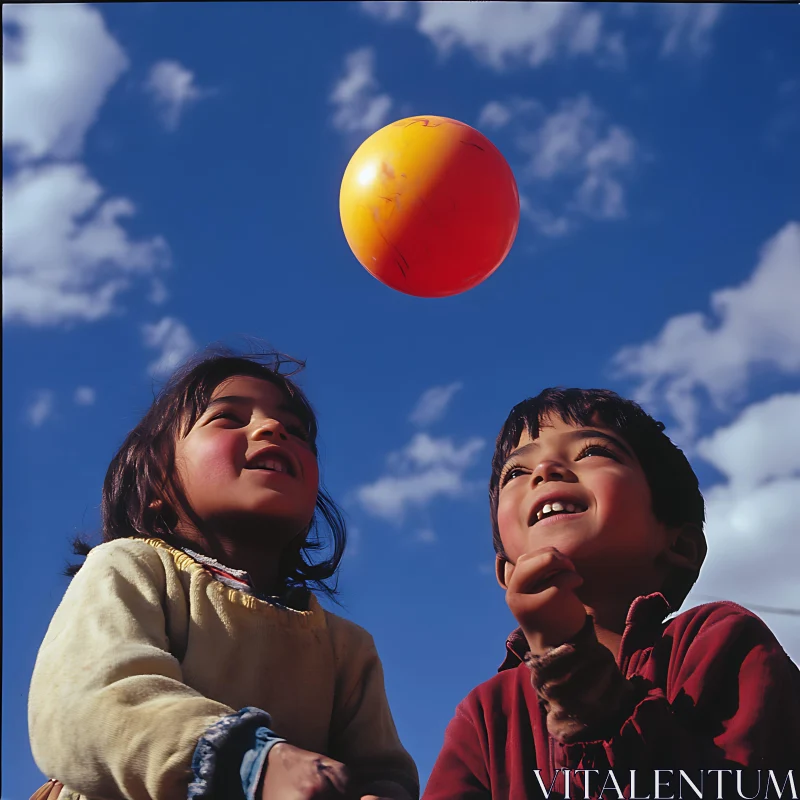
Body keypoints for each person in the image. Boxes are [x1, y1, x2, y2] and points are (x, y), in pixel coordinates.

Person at [28, 347, 418, 800]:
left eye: (295, 431)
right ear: (157, 481)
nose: (272, 429)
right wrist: (248, 760)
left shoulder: (346, 648)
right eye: (229, 419)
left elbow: (382, 773)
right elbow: (87, 706)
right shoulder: (132, 568)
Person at [423, 388, 800, 800]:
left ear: (679, 546)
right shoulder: (486, 715)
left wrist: (575, 674)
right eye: (515, 472)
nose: (545, 469)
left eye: (592, 452)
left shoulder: (721, 642)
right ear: (507, 570)